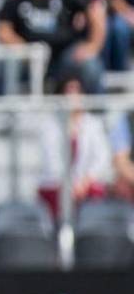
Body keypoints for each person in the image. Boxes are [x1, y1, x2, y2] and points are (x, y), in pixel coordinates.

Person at [0, 0, 90, 95]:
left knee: (89, 65)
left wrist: (92, 45)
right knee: (8, 66)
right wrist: (23, 49)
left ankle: (93, 111)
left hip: (63, 55)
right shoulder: (15, 0)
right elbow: (4, 31)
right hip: (27, 57)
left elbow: (95, 11)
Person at [37, 74, 111, 220]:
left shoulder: (93, 124)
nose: (73, 97)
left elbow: (102, 158)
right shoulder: (49, 125)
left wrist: (84, 182)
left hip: (85, 185)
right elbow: (51, 161)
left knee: (95, 196)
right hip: (57, 184)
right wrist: (69, 185)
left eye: (77, 91)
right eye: (68, 92)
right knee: (58, 197)